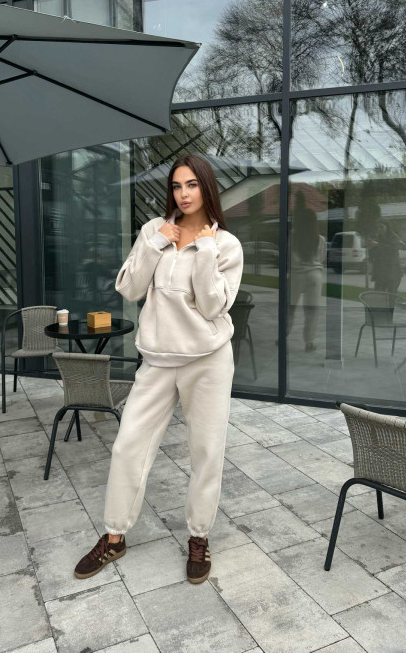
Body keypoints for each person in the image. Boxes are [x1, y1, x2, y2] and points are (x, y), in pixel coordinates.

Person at [73, 154, 244, 585]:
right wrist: (154, 244)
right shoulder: (154, 229)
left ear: (207, 188)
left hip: (207, 361)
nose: (183, 194)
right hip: (157, 359)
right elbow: (129, 288)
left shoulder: (226, 245)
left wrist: (204, 250)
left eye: (192, 185)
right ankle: (114, 537)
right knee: (128, 446)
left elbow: (213, 306)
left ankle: (199, 537)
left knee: (206, 452)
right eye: (176, 186)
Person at [288, 207, 326, 352]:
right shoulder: (320, 239)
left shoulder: (293, 236)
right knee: (312, 310)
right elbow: (321, 258)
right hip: (315, 276)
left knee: (290, 308)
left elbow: (288, 255)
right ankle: (309, 342)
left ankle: (283, 336)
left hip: (297, 275)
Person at [367, 220, 402, 294]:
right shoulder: (377, 239)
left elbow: (392, 249)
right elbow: (373, 257)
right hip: (380, 273)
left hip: (393, 272)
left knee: (391, 295)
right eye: (377, 227)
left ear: (387, 227)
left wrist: (377, 244)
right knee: (378, 295)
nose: (379, 229)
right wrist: (370, 248)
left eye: (381, 227)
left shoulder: (394, 237)